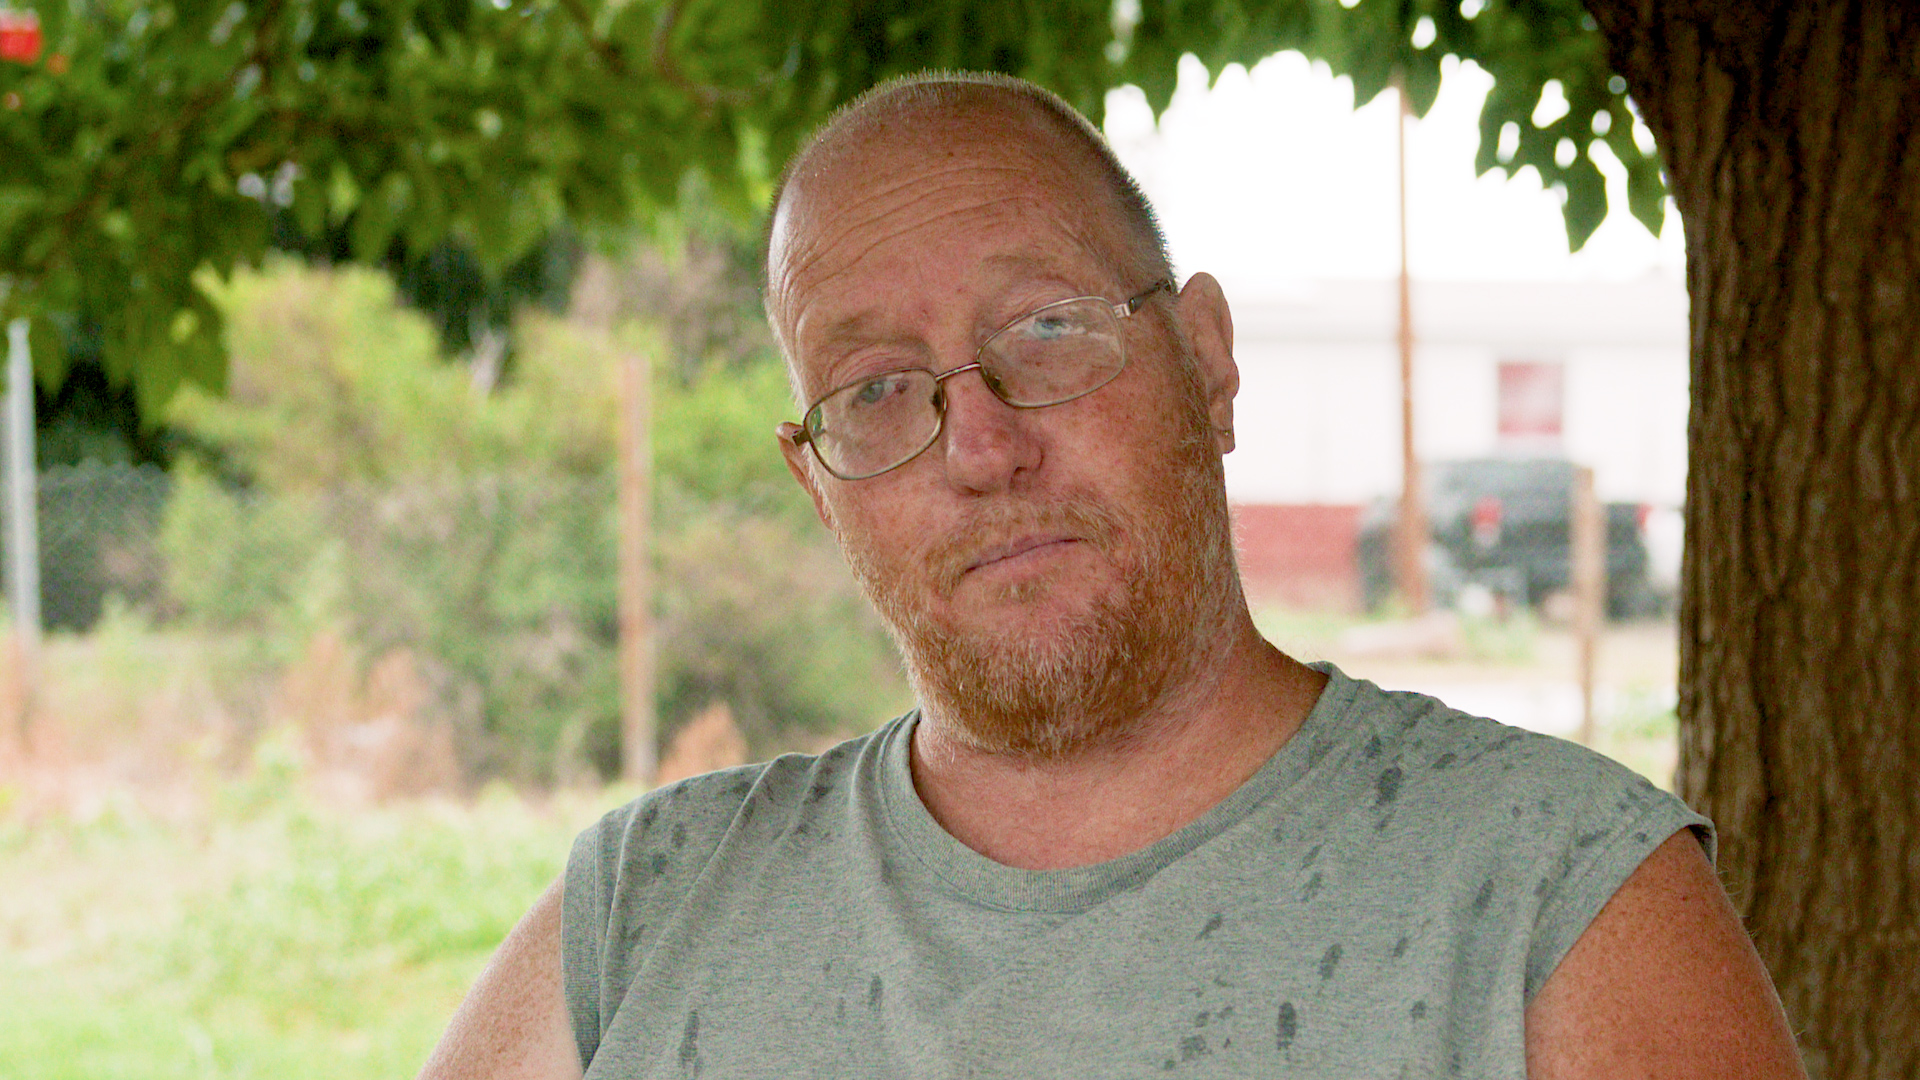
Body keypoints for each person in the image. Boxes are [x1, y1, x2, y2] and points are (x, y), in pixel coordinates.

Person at [420, 72, 1805, 1080]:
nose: (981, 443)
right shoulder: (647, 912)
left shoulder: (1553, 903)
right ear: (819, 484)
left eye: (1046, 326)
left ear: (1207, 364)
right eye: (879, 386)